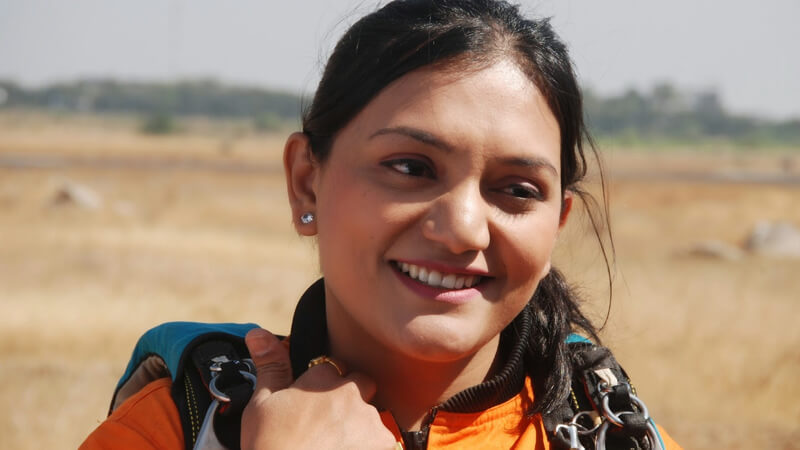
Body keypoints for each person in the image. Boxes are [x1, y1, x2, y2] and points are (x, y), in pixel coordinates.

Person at [82, 0, 682, 448]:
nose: (463, 230)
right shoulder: (167, 431)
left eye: (517, 190)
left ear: (556, 224)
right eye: (410, 168)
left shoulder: (617, 435)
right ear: (306, 182)